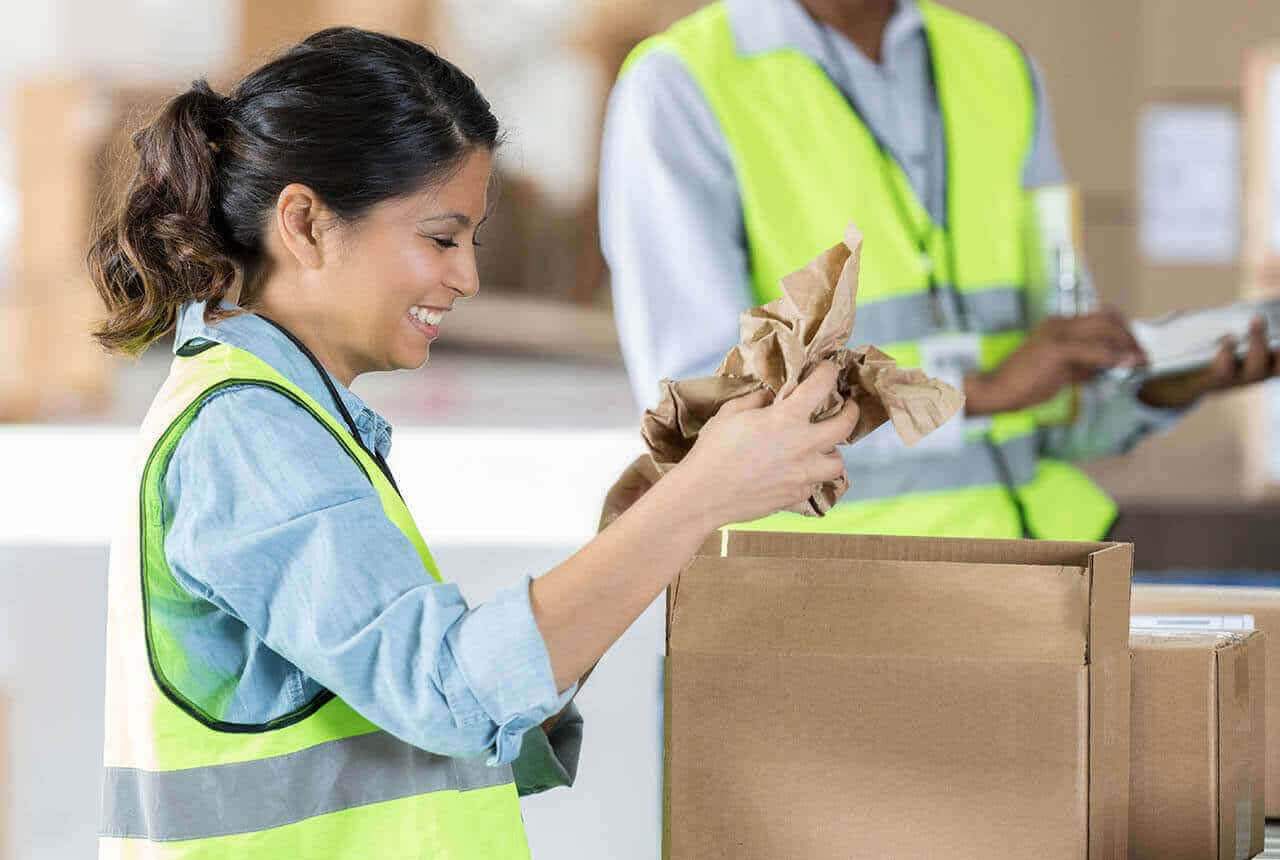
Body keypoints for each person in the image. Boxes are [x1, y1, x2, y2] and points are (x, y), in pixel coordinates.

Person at [89, 27, 859, 859]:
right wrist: (693, 499)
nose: (467, 278)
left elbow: (449, 729)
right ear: (306, 223)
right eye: (441, 237)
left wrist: (635, 535)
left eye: (471, 242)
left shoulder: (288, 421)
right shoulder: (245, 433)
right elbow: (454, 695)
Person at [600, 0, 1280, 541]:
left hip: (1035, 572)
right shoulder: (683, 84)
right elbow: (702, 421)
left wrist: (1167, 380)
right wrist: (977, 390)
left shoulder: (997, 68)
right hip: (818, 593)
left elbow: (1054, 403)